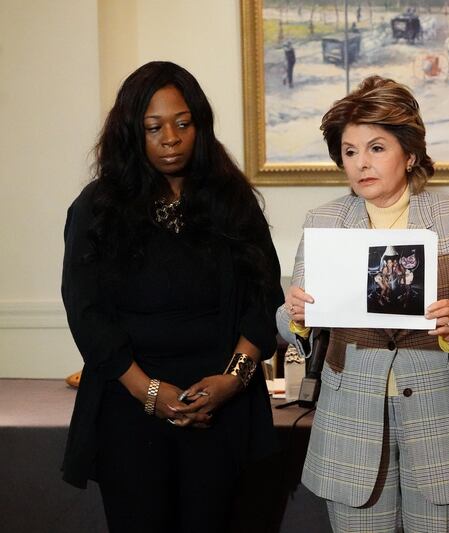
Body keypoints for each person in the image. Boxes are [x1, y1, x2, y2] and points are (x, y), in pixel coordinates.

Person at [61, 61, 283, 532]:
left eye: (183, 123)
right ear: (131, 133)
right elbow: (86, 312)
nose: (171, 138)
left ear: (200, 126)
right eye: (154, 127)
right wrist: (149, 392)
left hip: (222, 409)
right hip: (128, 410)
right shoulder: (96, 208)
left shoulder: (234, 201)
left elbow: (264, 300)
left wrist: (233, 380)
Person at [278, 75, 449, 532]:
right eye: (349, 152)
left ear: (410, 154)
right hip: (351, 422)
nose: (361, 162)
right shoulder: (323, 221)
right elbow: (288, 318)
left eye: (376, 148)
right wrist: (297, 318)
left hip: (444, 417)